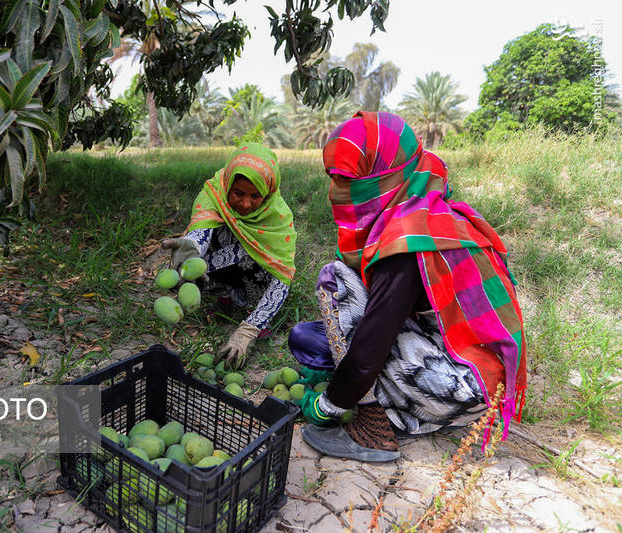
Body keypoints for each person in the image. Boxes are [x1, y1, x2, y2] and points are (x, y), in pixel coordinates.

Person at [290, 111, 527, 462]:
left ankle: (373, 429)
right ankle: (403, 411)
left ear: (385, 175)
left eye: (352, 179)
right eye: (336, 178)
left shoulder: (406, 240)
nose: (339, 191)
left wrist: (329, 405)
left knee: (335, 280)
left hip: (460, 389)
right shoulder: (430, 212)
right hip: (481, 378)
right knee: (309, 338)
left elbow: (372, 343)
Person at [162, 142, 297, 370]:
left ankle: (255, 313)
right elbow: (203, 232)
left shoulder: (279, 219)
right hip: (224, 269)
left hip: (255, 280)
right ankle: (225, 298)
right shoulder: (214, 195)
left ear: (269, 192)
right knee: (198, 261)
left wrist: (248, 331)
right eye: (238, 193)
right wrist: (192, 246)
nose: (246, 203)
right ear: (227, 185)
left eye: (256, 196)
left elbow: (282, 280)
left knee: (248, 252)